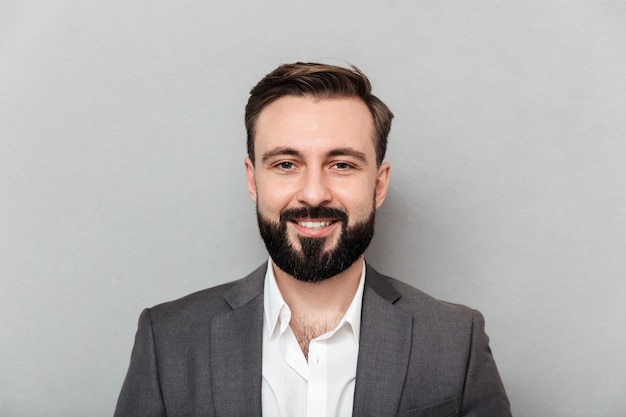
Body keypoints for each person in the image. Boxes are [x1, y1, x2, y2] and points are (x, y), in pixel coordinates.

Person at [114, 62, 512, 417]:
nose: (314, 193)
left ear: (379, 184)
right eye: (286, 164)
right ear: (254, 180)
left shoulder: (456, 340)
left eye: (341, 164)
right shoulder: (167, 339)